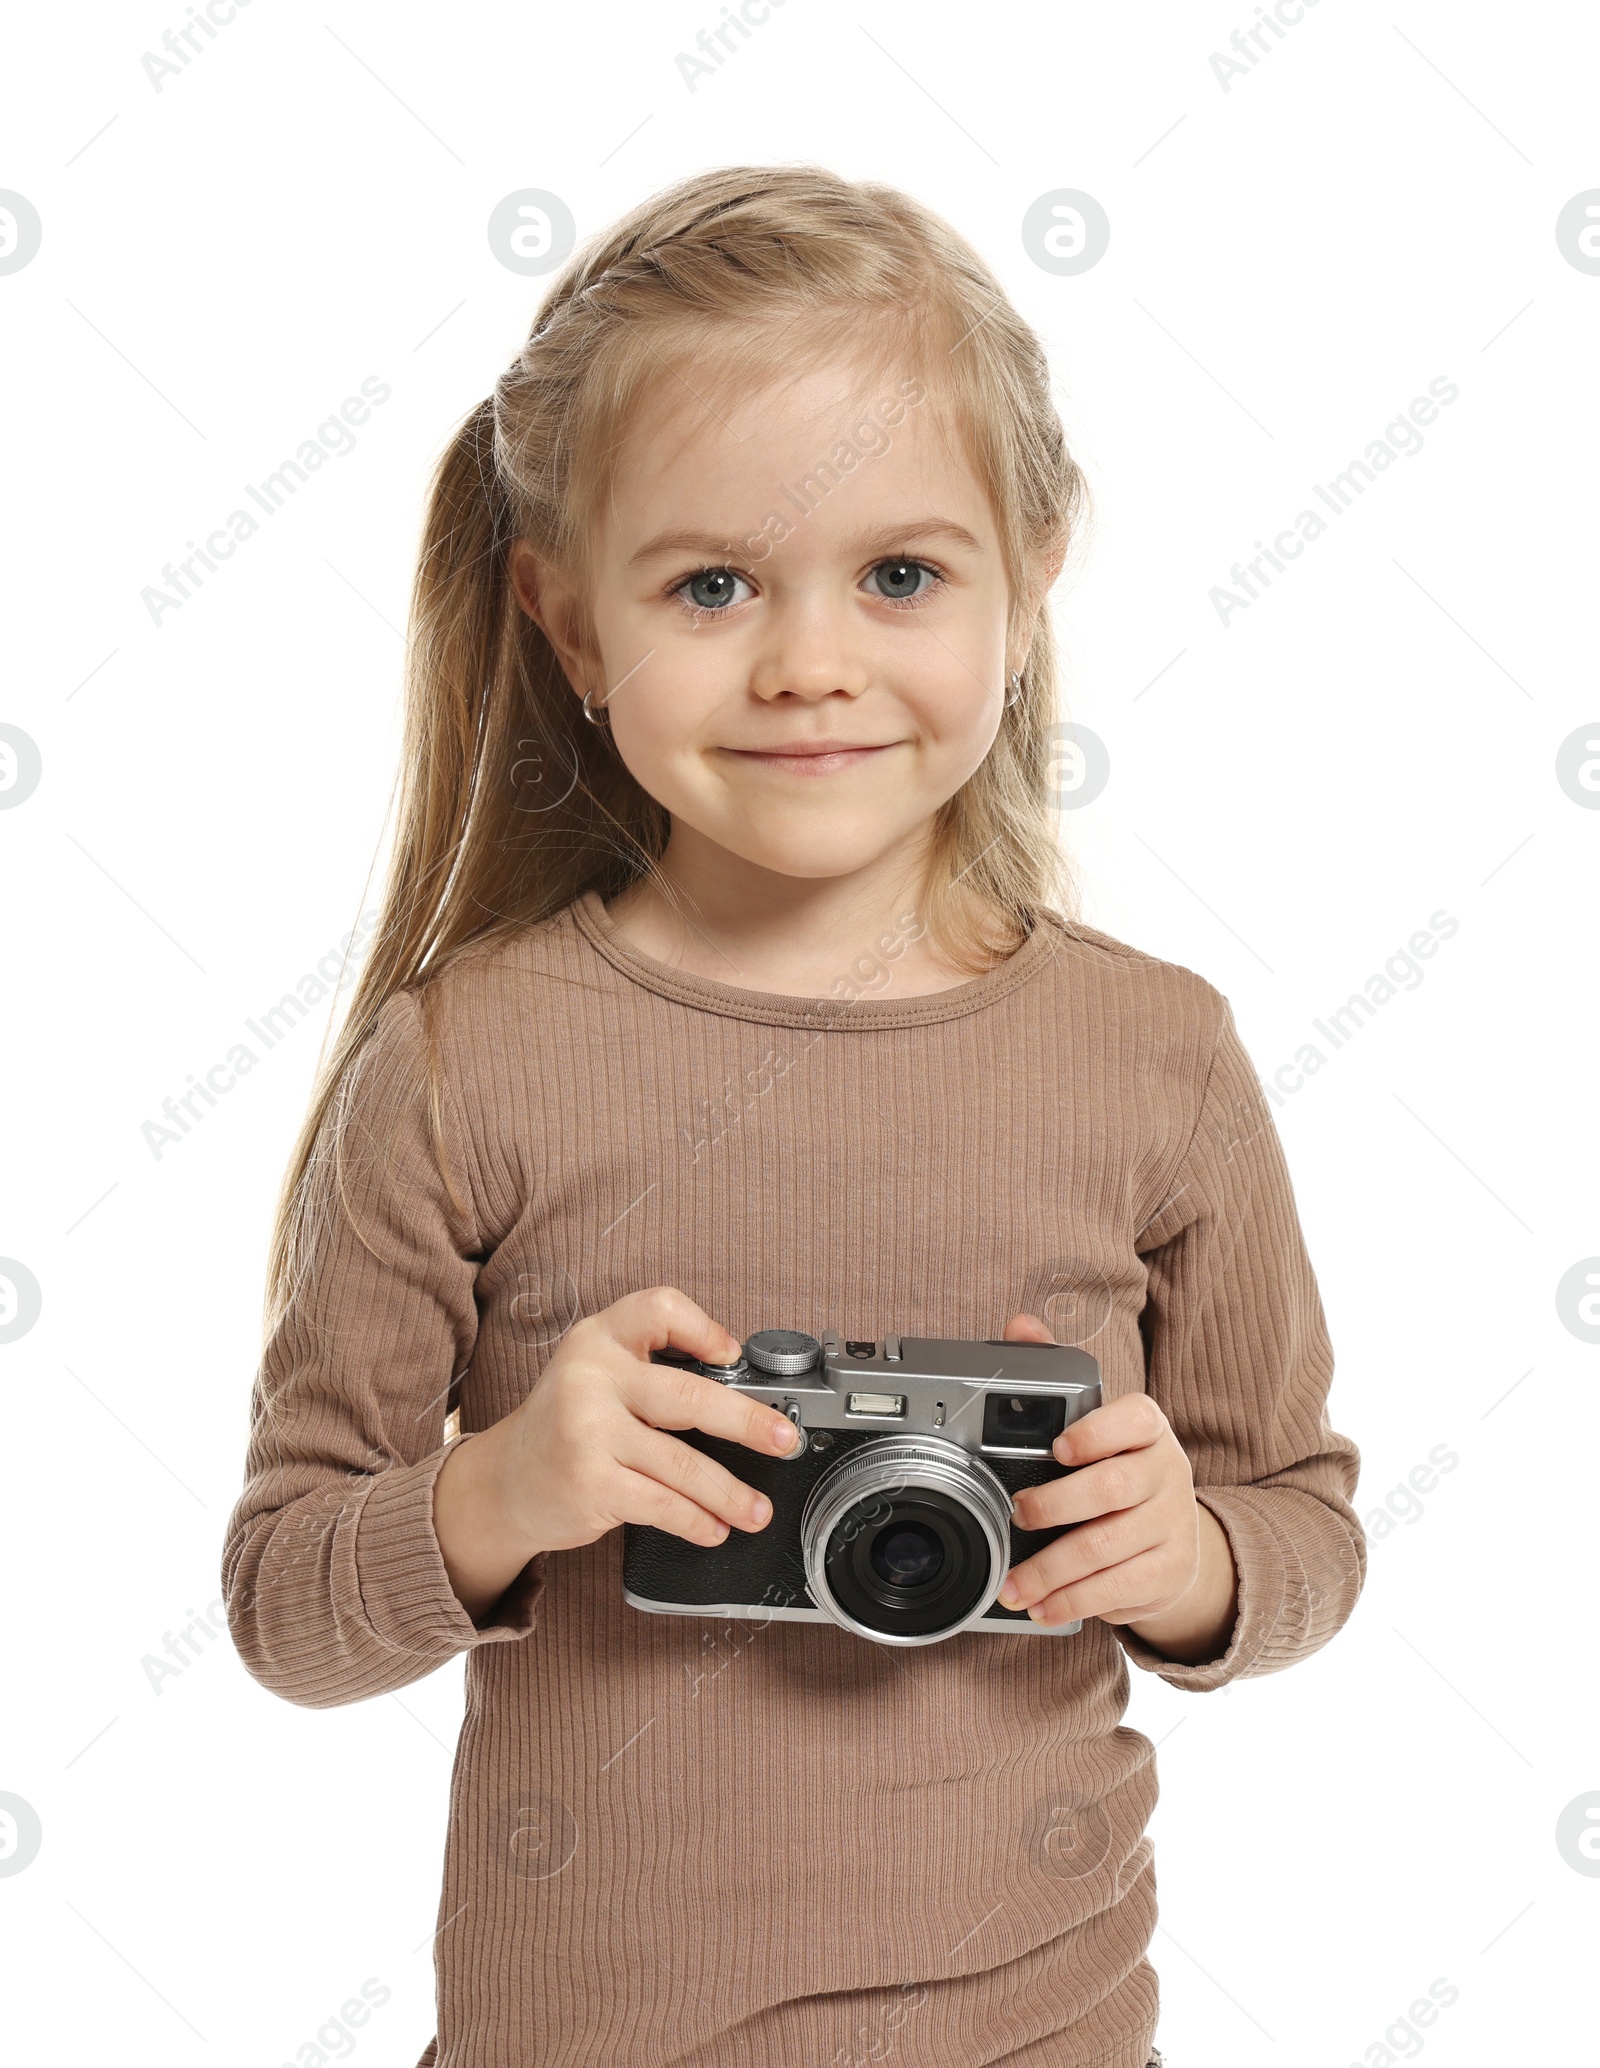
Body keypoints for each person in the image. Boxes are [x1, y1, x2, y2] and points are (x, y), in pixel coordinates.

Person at [222, 163, 1365, 2068]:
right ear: (572, 624)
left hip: (1042, 2030)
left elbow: (1302, 1528)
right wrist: (502, 1492)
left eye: (900, 574)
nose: (810, 660)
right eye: (711, 584)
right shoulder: (462, 1066)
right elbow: (282, 1606)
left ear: (1032, 578)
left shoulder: (1160, 1057)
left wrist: (1193, 1566)